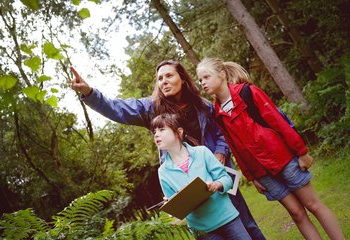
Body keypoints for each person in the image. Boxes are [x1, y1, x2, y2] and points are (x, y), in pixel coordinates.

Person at [70, 60, 266, 239]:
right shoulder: (150, 108)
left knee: (247, 225)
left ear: (182, 78)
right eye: (160, 78)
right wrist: (89, 93)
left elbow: (223, 132)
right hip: (188, 185)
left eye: (169, 76)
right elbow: (117, 108)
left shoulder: (203, 105)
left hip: (217, 175)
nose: (164, 81)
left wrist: (221, 153)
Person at [196, 57, 344, 240]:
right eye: (200, 79)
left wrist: (301, 152)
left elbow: (278, 121)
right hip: (263, 173)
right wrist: (252, 176)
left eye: (206, 77)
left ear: (222, 74)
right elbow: (235, 148)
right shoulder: (217, 114)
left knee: (313, 205)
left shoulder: (248, 92)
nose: (202, 82)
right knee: (297, 214)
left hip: (284, 160)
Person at [152, 113, 251, 240]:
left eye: (161, 129)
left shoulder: (202, 152)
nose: (156, 134)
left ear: (179, 132)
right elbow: (175, 206)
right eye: (154, 131)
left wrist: (216, 185)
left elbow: (226, 179)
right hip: (202, 231)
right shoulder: (163, 172)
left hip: (228, 218)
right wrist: (174, 205)